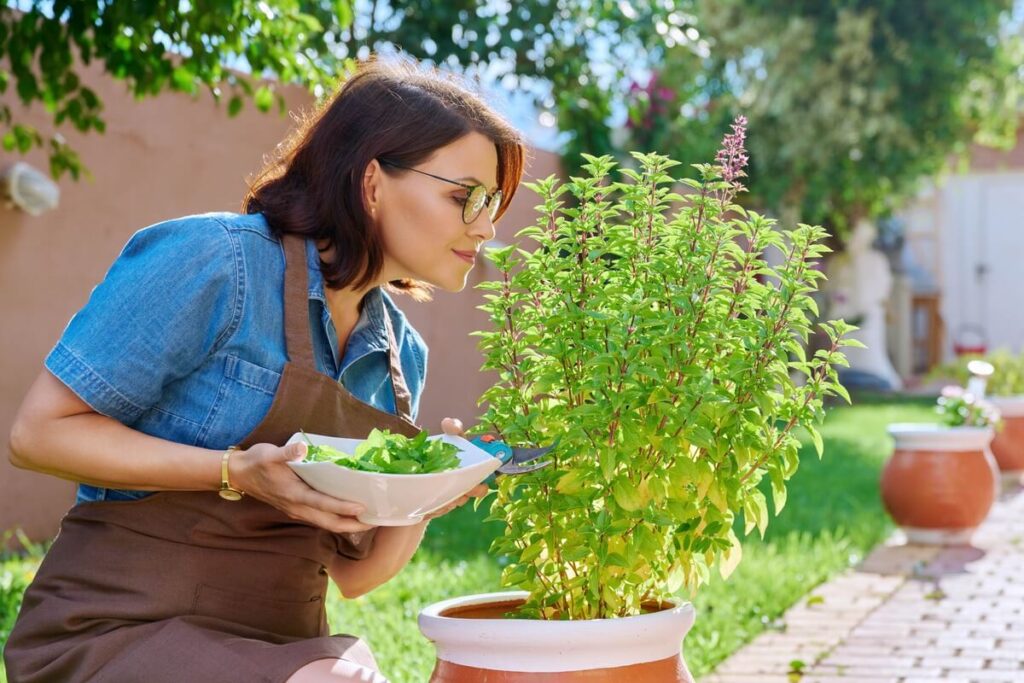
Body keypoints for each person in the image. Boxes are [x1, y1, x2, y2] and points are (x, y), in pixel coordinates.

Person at [4, 57, 525, 683]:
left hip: (285, 648)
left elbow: (356, 576)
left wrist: (432, 492)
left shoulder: (399, 354)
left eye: (491, 202)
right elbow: (37, 434)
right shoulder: (216, 261)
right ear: (372, 182)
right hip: (119, 629)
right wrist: (233, 472)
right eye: (464, 196)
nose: (488, 227)